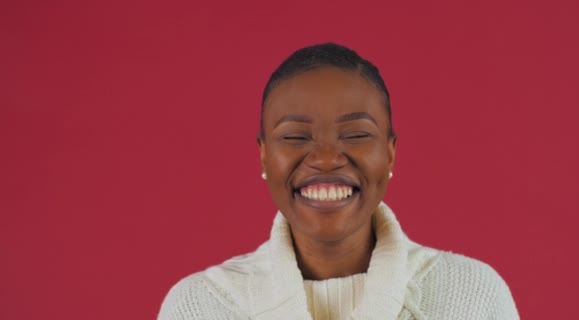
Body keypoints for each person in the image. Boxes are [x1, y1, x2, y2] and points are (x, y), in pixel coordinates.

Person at [158, 43, 519, 320]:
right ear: (264, 156)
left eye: (356, 134)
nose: (327, 158)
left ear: (390, 153)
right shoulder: (201, 307)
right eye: (296, 137)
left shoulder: (471, 298)